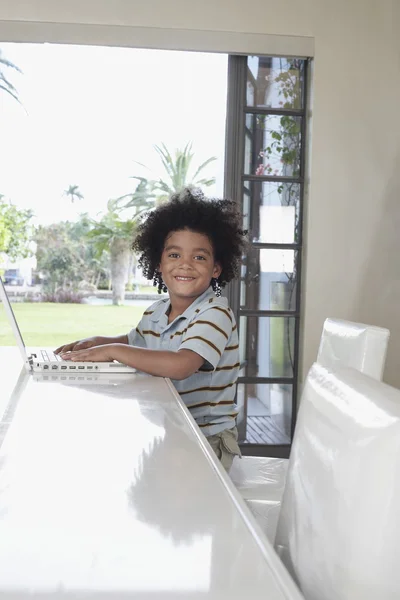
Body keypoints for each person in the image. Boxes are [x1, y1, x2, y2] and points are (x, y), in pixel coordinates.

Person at [55, 187, 247, 470]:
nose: (185, 265)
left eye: (199, 257)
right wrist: (97, 342)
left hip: (207, 441)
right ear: (158, 263)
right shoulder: (157, 311)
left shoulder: (215, 313)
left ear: (216, 268)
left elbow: (181, 364)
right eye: (174, 255)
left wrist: (113, 350)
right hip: (172, 431)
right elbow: (137, 342)